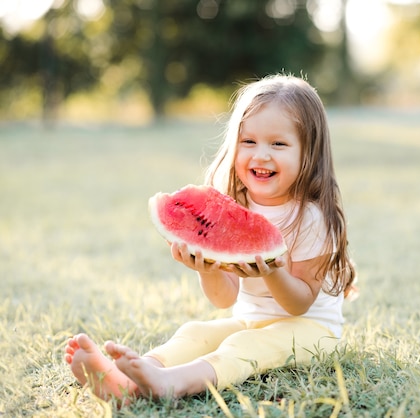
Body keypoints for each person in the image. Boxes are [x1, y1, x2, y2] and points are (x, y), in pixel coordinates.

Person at [64, 74, 356, 402]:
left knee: (243, 346)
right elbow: (224, 299)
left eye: (278, 144)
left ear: (309, 153)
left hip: (312, 332)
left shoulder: (311, 217)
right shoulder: (233, 209)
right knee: (196, 333)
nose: (261, 155)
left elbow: (299, 303)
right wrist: (206, 267)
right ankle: (128, 378)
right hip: (251, 321)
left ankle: (172, 383)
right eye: (249, 142)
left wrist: (273, 271)